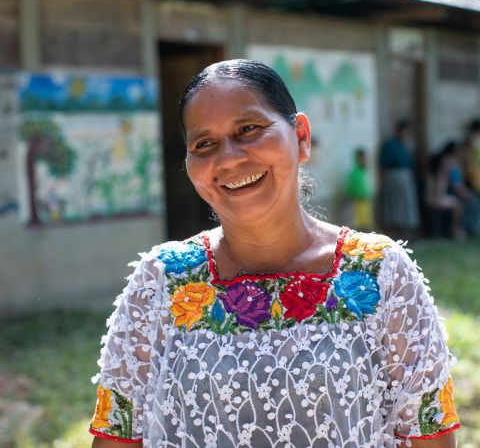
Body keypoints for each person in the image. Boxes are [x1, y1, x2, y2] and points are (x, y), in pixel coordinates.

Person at [89, 60, 459, 447]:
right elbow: (118, 437)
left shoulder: (379, 274)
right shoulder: (163, 282)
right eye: (204, 144)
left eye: (248, 129)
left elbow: (427, 436)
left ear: (300, 136)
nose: (229, 158)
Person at [379, 120, 420, 238]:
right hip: (393, 176)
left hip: (406, 176)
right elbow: (383, 164)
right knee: (394, 204)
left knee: (406, 204)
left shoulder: (406, 145)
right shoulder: (390, 145)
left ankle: (406, 230)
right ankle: (394, 229)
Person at [345, 148, 374, 230]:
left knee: (366, 221)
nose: (363, 160)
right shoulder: (354, 173)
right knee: (358, 223)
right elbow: (350, 187)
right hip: (357, 201)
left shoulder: (363, 172)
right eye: (361, 158)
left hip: (365, 200)